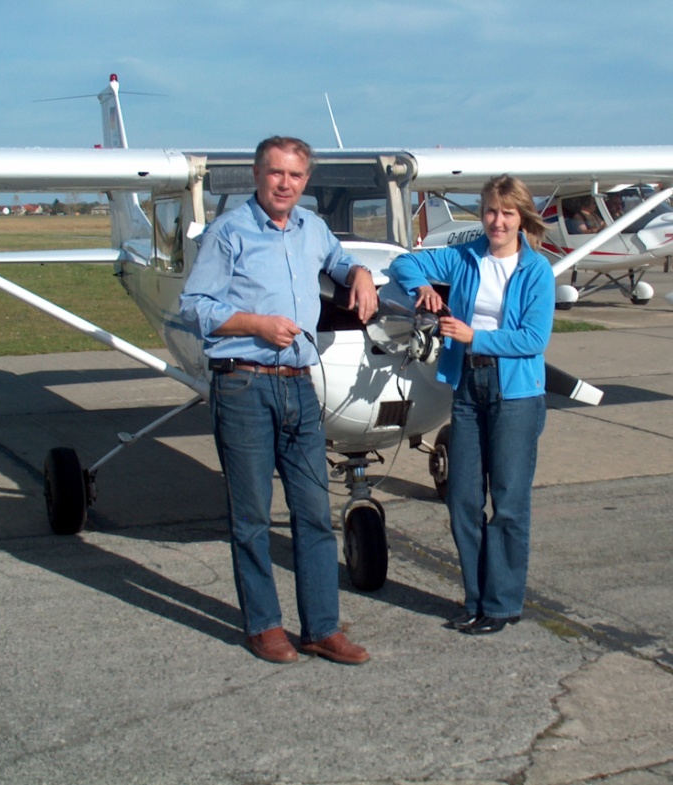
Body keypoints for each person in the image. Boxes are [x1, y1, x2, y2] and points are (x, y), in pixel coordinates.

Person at [179, 136, 377, 665]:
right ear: (257, 175)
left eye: (295, 175)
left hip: (300, 384)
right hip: (243, 383)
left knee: (313, 513)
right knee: (251, 517)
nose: (285, 184)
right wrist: (255, 325)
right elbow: (194, 306)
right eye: (275, 174)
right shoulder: (228, 233)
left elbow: (337, 259)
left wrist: (358, 273)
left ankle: (320, 628)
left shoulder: (312, 229)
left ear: (305, 180)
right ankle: (263, 626)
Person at [389, 174, 554, 635]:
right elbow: (404, 261)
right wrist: (422, 287)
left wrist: (472, 336)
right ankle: (475, 599)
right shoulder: (464, 257)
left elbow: (534, 338)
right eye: (489, 212)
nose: (496, 221)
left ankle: (501, 604)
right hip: (468, 386)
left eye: (506, 213)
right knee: (462, 498)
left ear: (521, 217)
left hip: (515, 392)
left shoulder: (536, 270)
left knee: (508, 501)